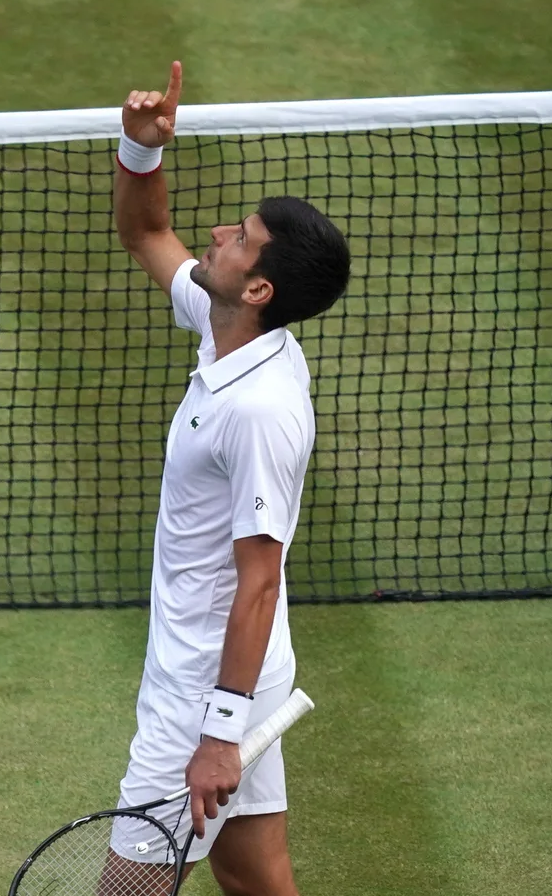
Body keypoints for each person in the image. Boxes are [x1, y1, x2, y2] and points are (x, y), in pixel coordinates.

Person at [107, 61, 351, 895]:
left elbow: (260, 579)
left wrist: (217, 730)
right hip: (225, 670)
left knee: (127, 888)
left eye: (237, 237)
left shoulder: (259, 410)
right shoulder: (231, 331)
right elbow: (147, 233)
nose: (215, 232)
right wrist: (142, 152)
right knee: (253, 879)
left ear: (259, 285)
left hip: (206, 685)